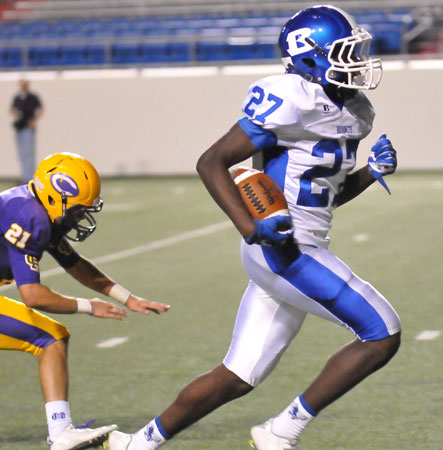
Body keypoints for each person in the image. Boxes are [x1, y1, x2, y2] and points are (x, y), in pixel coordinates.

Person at [107, 5, 401, 450]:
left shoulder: (356, 110)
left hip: (300, 244)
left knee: (237, 376)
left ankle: (138, 442)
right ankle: (281, 430)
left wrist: (369, 174)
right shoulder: (291, 97)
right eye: (344, 52)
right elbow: (213, 162)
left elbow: (325, 196)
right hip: (284, 249)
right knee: (383, 332)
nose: (356, 61)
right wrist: (251, 228)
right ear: (308, 57)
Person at [0, 152, 170, 450]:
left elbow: (74, 263)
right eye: (77, 210)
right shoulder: (31, 216)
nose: (80, 217)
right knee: (50, 338)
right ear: (55, 197)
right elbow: (32, 295)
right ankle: (61, 432)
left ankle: (61, 431)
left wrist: (127, 298)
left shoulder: (32, 207)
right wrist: (88, 306)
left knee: (53, 338)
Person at [10, 79, 43, 183]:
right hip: (20, 128)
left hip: (28, 128)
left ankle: (30, 177)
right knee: (21, 153)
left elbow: (40, 109)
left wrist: (34, 120)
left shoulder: (32, 97)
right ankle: (24, 176)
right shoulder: (17, 97)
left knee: (29, 152)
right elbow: (12, 110)